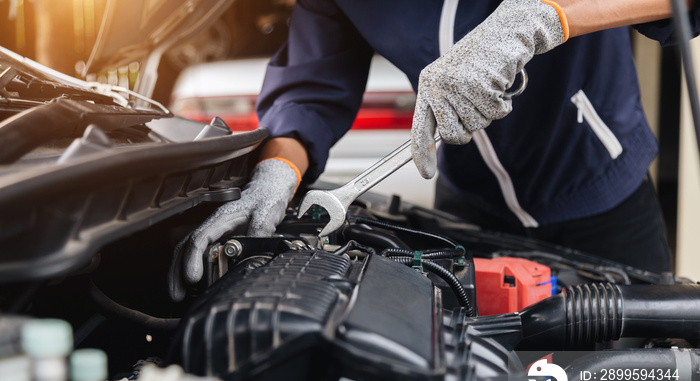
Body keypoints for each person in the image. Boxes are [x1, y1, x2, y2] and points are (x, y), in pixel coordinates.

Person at [169, 0, 700, 300]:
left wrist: (544, 15)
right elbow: (311, 86)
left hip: (604, 201)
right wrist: (277, 171)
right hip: (469, 209)